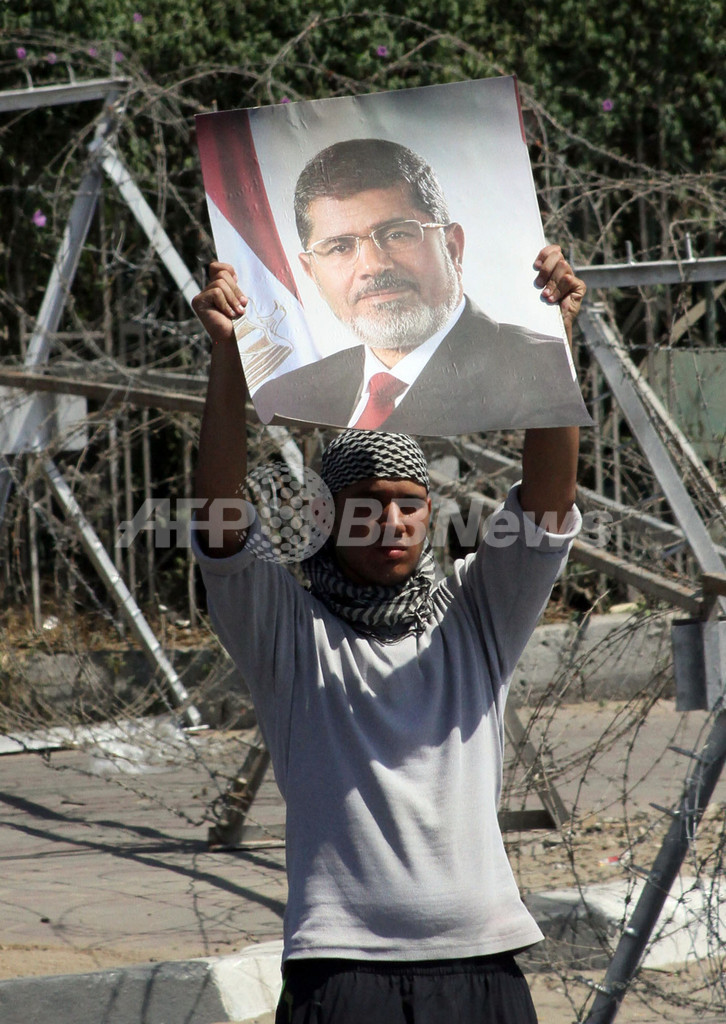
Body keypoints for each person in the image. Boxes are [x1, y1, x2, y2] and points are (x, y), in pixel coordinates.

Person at [191, 243, 585, 1023]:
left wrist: (551, 342)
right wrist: (229, 362)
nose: (393, 520)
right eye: (369, 501)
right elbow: (221, 516)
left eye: (410, 501)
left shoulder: (475, 616)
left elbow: (545, 504)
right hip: (342, 971)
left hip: (485, 965)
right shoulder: (290, 637)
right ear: (325, 517)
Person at [252, 139, 590, 435]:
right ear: (311, 272)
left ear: (453, 247)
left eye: (397, 233)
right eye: (340, 246)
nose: (372, 266)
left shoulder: (537, 369)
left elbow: (550, 504)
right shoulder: (287, 399)